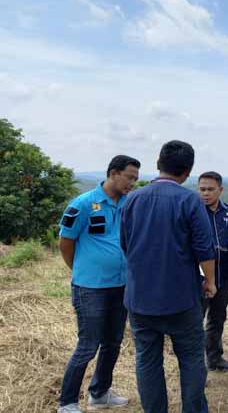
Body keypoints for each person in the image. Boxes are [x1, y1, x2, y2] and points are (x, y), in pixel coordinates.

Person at [120, 141, 216, 413]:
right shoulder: (189, 201)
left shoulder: (133, 199)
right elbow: (204, 250)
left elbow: (126, 245)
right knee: (192, 358)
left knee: (147, 360)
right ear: (187, 171)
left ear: (159, 163)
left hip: (140, 298)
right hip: (181, 298)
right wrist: (209, 282)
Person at [57, 155, 140, 413]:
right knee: (88, 344)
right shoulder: (82, 204)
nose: (132, 184)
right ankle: (67, 402)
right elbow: (65, 242)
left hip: (121, 285)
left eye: (135, 179)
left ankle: (100, 393)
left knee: (113, 342)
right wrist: (81, 270)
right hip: (90, 287)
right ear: (113, 173)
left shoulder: (130, 204)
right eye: (129, 177)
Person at [198, 171, 228, 372]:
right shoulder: (193, 212)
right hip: (198, 278)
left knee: (217, 319)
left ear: (221, 190)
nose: (206, 194)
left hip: (224, 276)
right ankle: (196, 366)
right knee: (194, 322)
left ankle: (215, 358)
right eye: (202, 189)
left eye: (210, 189)